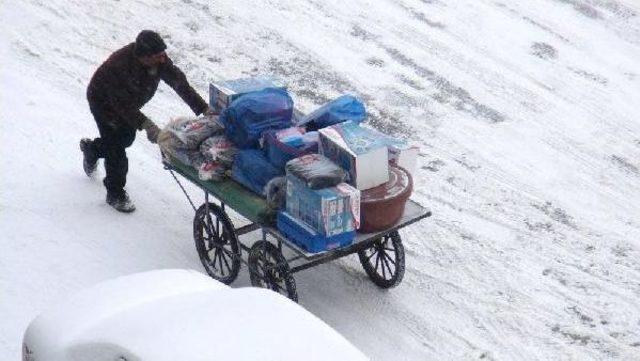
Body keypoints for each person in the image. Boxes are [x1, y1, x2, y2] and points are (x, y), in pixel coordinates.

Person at [80, 30, 213, 212]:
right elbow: (122, 104)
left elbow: (179, 83)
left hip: (129, 103)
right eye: (157, 56)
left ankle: (92, 149)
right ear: (143, 56)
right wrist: (147, 125)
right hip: (104, 102)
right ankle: (115, 193)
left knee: (126, 139)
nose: (162, 59)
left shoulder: (159, 60)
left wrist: (204, 109)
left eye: (162, 55)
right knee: (115, 147)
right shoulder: (119, 66)